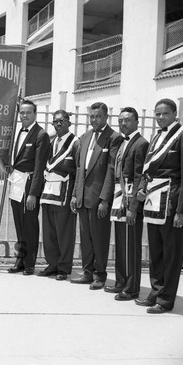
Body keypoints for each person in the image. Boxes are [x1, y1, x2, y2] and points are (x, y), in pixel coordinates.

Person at [135, 98, 183, 314]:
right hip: (154, 203)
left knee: (171, 254)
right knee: (156, 253)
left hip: (172, 205)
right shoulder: (156, 137)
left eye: (164, 113)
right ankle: (155, 292)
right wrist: (142, 189)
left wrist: (182, 211)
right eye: (157, 114)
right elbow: (148, 169)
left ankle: (165, 300)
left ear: (175, 114)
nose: (160, 117)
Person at [70, 102, 123, 289]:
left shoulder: (114, 138)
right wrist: (76, 194)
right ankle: (87, 272)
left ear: (106, 117)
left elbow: (111, 171)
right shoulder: (84, 137)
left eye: (98, 116)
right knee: (85, 237)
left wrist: (104, 199)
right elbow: (79, 169)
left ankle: (100, 275)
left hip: (99, 198)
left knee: (99, 238)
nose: (94, 120)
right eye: (91, 116)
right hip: (83, 197)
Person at [107, 107, 149, 301]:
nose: (123, 124)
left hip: (130, 198)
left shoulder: (140, 143)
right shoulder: (122, 142)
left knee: (131, 244)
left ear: (136, 122)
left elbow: (140, 176)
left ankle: (132, 288)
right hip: (119, 195)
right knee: (120, 242)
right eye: (120, 120)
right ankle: (121, 281)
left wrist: (133, 207)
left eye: (127, 120)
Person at [8, 100, 49, 275]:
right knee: (19, 224)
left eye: (28, 113)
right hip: (17, 183)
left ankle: (30, 263)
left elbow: (39, 167)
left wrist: (33, 193)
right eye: (22, 112)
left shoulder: (41, 135)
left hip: (29, 185)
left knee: (29, 224)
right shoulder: (19, 132)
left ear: (35, 114)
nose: (24, 115)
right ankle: (21, 261)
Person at [37, 110, 78, 281]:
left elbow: (78, 169)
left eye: (62, 121)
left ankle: (63, 267)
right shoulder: (52, 141)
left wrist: (75, 194)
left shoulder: (75, 142)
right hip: (48, 192)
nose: (58, 124)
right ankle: (52, 264)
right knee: (49, 232)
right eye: (55, 121)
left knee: (64, 232)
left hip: (64, 193)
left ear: (69, 122)